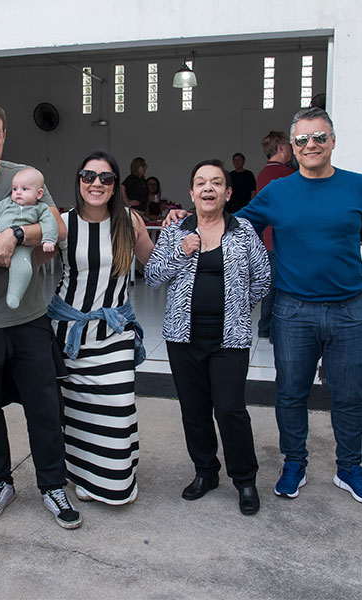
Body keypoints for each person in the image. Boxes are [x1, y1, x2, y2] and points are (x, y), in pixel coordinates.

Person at [237, 108, 362, 504]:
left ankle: (349, 468)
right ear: (292, 147)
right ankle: (294, 463)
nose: (311, 145)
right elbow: (237, 226)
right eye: (302, 139)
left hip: (347, 310)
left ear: (333, 141)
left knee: (350, 395)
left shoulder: (359, 187)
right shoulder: (278, 191)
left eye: (319, 137)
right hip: (292, 311)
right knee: (290, 393)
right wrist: (192, 219)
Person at [0, 101, 82, 529]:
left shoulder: (24, 177)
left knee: (44, 407)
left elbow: (59, 229)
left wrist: (16, 233)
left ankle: (52, 485)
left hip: (28, 318)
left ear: (4, 137)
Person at [145, 159, 269, 515]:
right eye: (201, 183)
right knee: (194, 410)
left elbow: (262, 278)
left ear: (228, 193)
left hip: (229, 339)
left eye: (216, 182)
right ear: (192, 192)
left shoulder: (243, 230)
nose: (208, 188)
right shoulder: (175, 231)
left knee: (230, 409)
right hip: (183, 338)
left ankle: (245, 480)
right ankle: (205, 472)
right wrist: (180, 252)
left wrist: (237, 307)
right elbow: (152, 276)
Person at [46, 150, 154, 505]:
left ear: (115, 184)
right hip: (70, 334)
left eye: (106, 178)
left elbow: (155, 265)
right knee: (77, 412)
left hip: (115, 330)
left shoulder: (129, 221)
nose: (97, 183)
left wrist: (179, 234)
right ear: (79, 180)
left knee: (118, 408)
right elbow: (31, 261)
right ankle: (84, 476)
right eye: (89, 176)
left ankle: (114, 478)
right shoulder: (62, 223)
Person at [0, 167, 58, 309]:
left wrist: (49, 239)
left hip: (22, 246)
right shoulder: (7, 203)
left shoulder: (41, 209)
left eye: (24, 189)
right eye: (15, 189)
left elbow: (50, 223)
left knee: (23, 268)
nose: (18, 193)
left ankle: (14, 295)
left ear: (39, 194)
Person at [255, 131, 296, 339]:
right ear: (280, 148)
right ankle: (272, 329)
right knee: (280, 287)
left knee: (270, 285)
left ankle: (265, 327)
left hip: (269, 237)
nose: (293, 150)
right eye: (290, 146)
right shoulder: (289, 174)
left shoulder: (263, 174)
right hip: (285, 240)